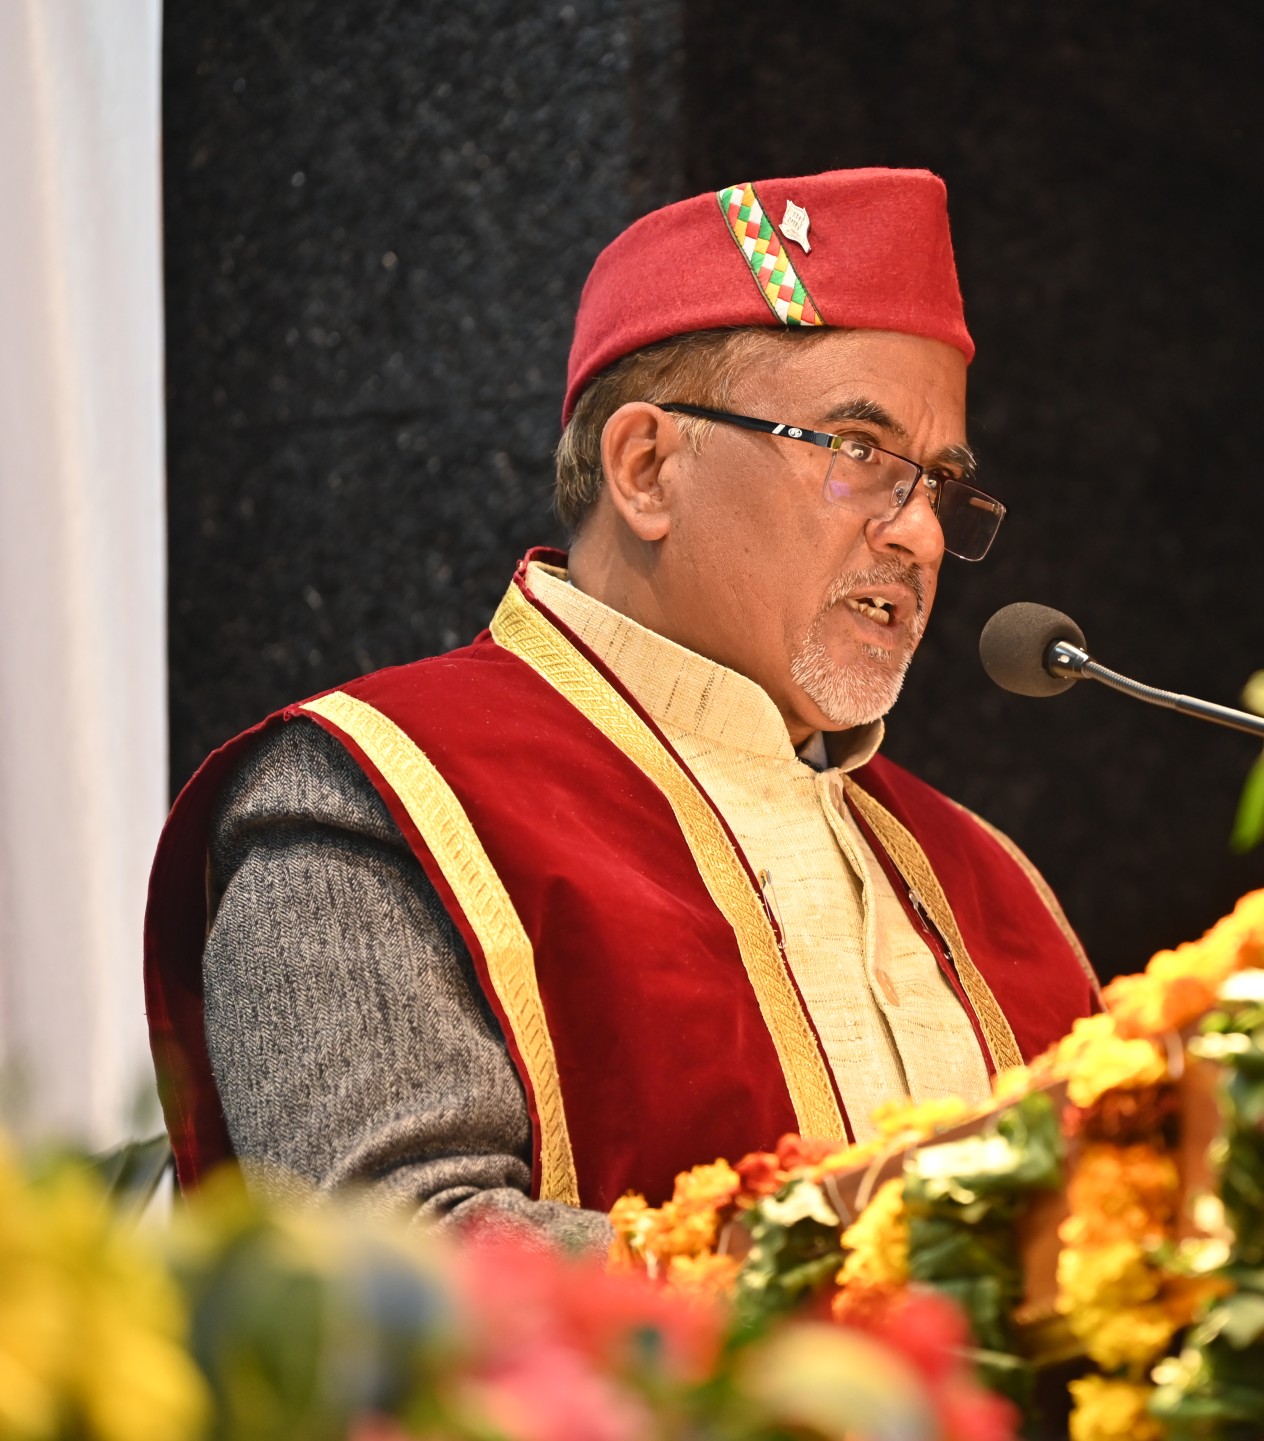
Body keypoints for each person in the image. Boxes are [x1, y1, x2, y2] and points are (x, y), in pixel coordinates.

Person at [144, 168, 1101, 1251]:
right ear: (646, 468)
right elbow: (388, 1276)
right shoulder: (382, 795)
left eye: (939, 483)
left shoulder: (988, 881)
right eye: (859, 453)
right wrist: (875, 1270)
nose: (921, 533)